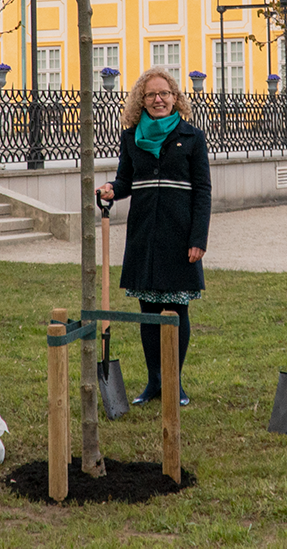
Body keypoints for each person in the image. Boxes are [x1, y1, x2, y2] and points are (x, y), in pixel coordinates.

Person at [98, 67, 211, 407]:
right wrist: (109, 190)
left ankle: (175, 383)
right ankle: (154, 382)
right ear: (141, 101)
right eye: (151, 95)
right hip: (144, 235)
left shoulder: (192, 137)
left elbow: (203, 191)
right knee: (148, 311)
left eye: (164, 93)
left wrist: (198, 238)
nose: (158, 99)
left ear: (175, 97)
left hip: (180, 236)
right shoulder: (131, 137)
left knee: (176, 310)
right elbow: (125, 181)